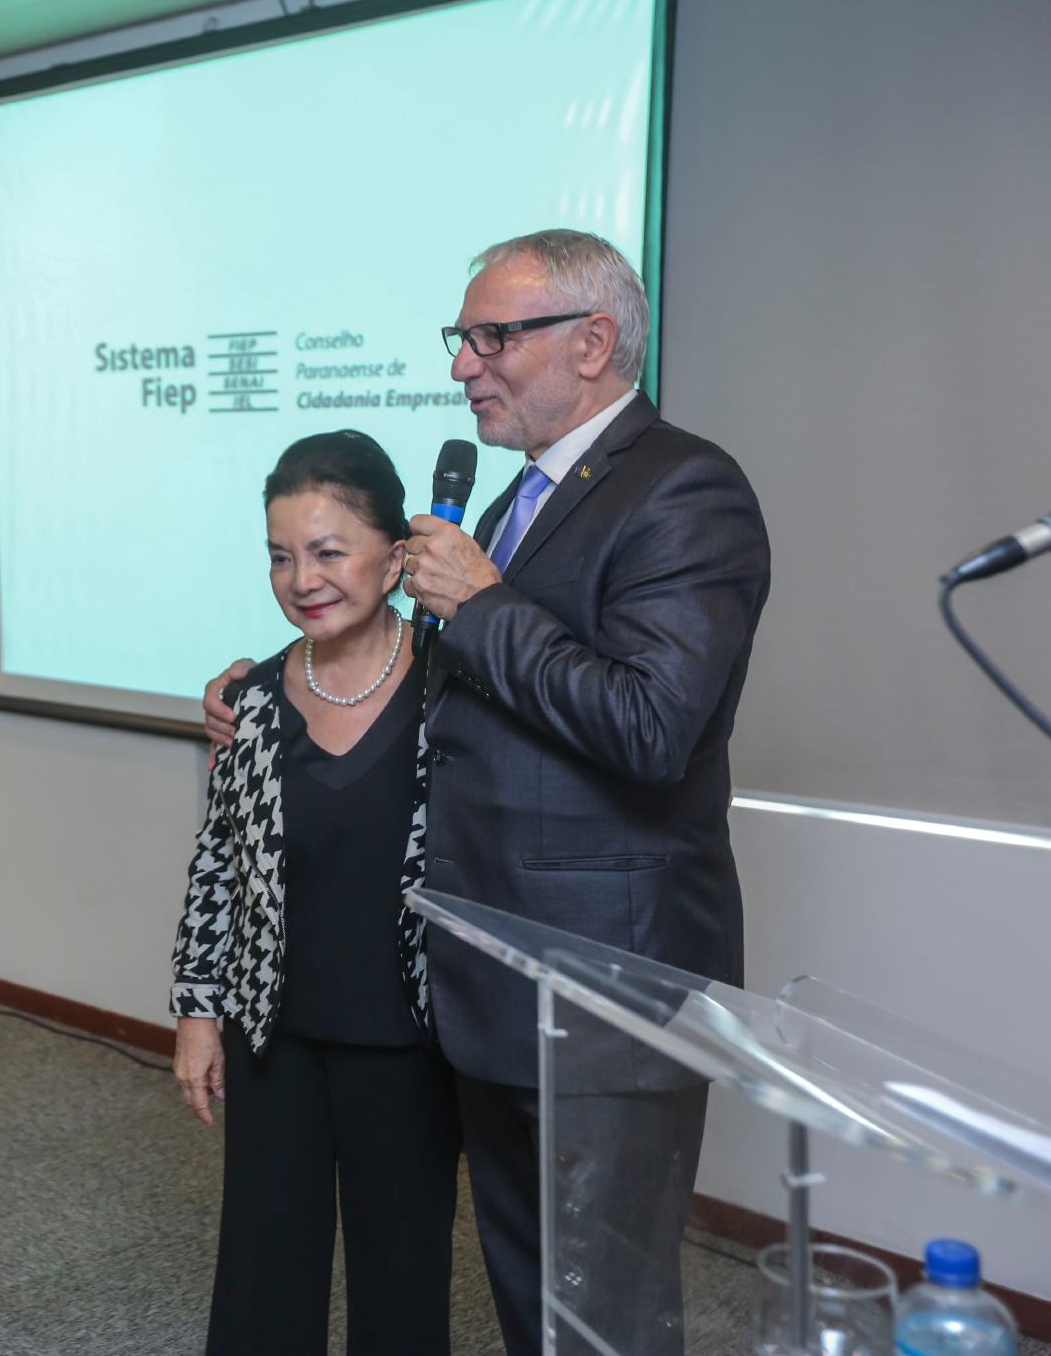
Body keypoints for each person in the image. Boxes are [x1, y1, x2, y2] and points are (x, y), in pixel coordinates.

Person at [203, 230, 772, 1355]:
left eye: (493, 337)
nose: (464, 364)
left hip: (600, 989)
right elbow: (459, 708)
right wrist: (260, 688)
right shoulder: (525, 500)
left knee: (602, 1313)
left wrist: (482, 602)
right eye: (461, 339)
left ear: (593, 342)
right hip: (491, 982)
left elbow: (651, 727)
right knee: (528, 1295)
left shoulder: (683, 488)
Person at [172, 429, 460, 1355]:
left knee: (401, 1283)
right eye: (281, 556)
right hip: (274, 1040)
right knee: (263, 1277)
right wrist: (198, 1012)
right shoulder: (249, 701)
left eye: (329, 551)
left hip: (410, 1046)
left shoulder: (457, 691)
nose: (303, 579)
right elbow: (218, 863)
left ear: (396, 557)